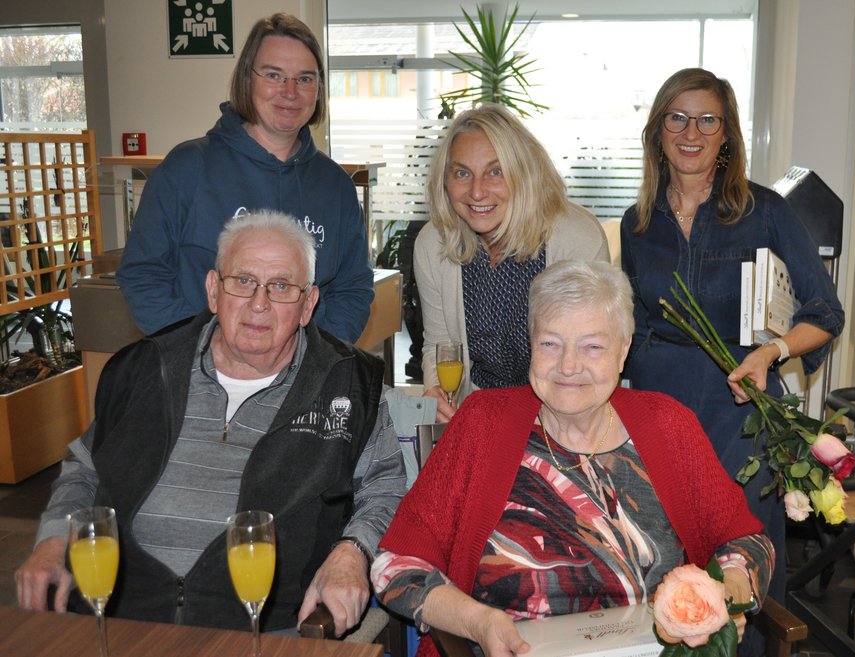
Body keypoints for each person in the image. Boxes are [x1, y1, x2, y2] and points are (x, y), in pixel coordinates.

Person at [15, 211, 405, 638]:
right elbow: (86, 469)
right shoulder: (145, 368)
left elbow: (385, 489)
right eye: (243, 281)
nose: (259, 303)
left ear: (308, 304)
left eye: (281, 286)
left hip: (266, 626)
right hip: (121, 614)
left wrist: (352, 552)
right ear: (213, 290)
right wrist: (53, 539)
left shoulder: (349, 383)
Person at [371, 260, 774, 657]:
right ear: (531, 344)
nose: (568, 366)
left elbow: (748, 542)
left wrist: (725, 595)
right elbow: (395, 565)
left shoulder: (668, 424)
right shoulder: (481, 422)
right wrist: (477, 621)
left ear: (623, 351)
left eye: (592, 346)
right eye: (550, 343)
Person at [619, 68, 844, 610]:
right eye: (678, 117)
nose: (691, 132)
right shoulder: (638, 221)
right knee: (664, 558)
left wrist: (771, 351)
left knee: (742, 562)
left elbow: (825, 312)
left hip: (739, 410)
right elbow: (633, 322)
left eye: (707, 120)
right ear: (658, 129)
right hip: (658, 411)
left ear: (726, 134)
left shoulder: (764, 211)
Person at [116, 13, 373, 342]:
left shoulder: (336, 187)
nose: (290, 91)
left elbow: (352, 289)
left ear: (319, 90)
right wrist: (205, 351)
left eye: (305, 78)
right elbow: (142, 275)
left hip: (305, 370)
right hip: (196, 365)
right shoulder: (186, 168)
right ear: (247, 79)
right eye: (273, 75)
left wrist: (312, 359)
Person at [415, 103, 609, 422]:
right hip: (475, 413)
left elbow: (592, 358)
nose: (477, 192)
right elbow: (439, 345)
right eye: (462, 173)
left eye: (495, 172)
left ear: (524, 174)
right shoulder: (432, 244)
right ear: (445, 180)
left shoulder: (578, 240)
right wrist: (437, 395)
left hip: (560, 417)